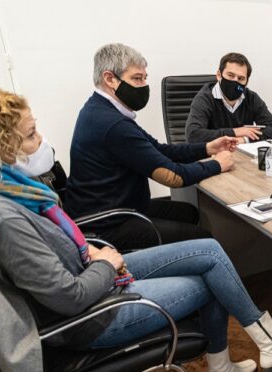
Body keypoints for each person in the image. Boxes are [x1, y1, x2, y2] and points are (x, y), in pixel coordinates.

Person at [0, 85, 272, 372]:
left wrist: (90, 251)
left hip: (92, 271)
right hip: (93, 315)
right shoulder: (1, 217)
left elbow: (53, 254)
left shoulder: (9, 191)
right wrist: (106, 264)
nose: (41, 141)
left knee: (210, 251)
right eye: (31, 134)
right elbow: (68, 297)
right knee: (215, 279)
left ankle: (254, 349)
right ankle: (249, 353)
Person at [66, 43, 239, 251]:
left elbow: (159, 149)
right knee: (205, 241)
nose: (144, 85)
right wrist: (217, 164)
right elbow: (173, 176)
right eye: (137, 78)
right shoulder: (113, 125)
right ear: (110, 79)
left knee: (188, 213)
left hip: (117, 207)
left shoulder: (102, 110)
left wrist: (207, 148)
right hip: (108, 224)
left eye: (144, 78)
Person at [185, 52, 272, 144]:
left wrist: (244, 139)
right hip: (213, 156)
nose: (235, 81)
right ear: (219, 75)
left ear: (246, 82)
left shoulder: (251, 98)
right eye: (230, 75)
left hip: (242, 155)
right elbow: (193, 135)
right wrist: (235, 132)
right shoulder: (205, 98)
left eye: (241, 78)